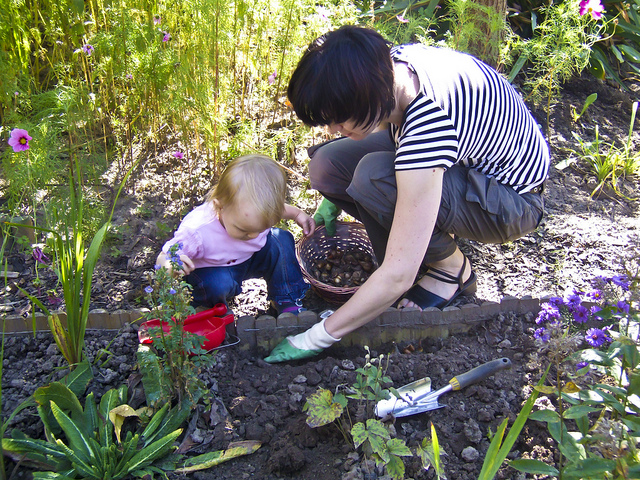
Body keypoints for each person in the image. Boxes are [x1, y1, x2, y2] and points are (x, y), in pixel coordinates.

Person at [264, 25, 549, 363]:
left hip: (510, 200)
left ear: (367, 96)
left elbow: (398, 275)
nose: (332, 130)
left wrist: (317, 336)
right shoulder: (388, 67)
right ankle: (429, 254)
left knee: (372, 179)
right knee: (327, 165)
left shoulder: (428, 123)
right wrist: (334, 193)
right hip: (468, 161)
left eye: (338, 120)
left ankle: (451, 269)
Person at [157, 154, 314, 315]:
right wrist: (171, 263)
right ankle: (211, 308)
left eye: (260, 229)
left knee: (281, 240)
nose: (253, 236)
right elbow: (165, 256)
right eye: (243, 230)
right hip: (214, 269)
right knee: (216, 284)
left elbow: (281, 210)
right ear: (220, 207)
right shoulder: (198, 230)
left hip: (250, 259)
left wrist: (298, 215)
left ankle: (285, 296)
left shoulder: (256, 214)